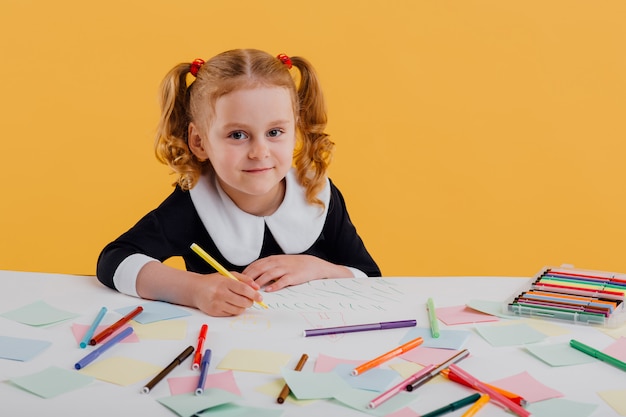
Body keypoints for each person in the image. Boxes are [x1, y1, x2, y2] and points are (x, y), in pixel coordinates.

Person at [96, 49, 381, 317]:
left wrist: (317, 268)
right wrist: (195, 289)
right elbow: (115, 261)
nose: (260, 152)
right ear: (199, 142)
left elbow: (369, 276)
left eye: (275, 131)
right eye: (237, 135)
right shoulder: (193, 204)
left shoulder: (317, 194)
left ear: (296, 131)